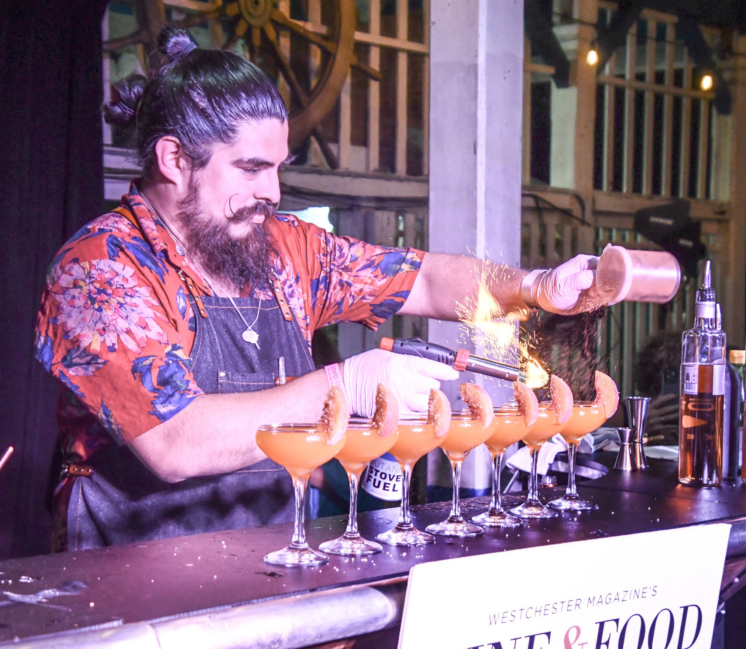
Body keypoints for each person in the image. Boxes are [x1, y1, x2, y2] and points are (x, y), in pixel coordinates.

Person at [35, 28, 603, 551]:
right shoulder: (102, 269)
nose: (273, 192)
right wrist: (343, 385)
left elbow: (424, 277)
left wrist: (535, 285)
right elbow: (176, 443)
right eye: (251, 168)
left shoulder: (286, 250)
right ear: (175, 159)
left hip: (276, 557)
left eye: (279, 168)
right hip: (130, 579)